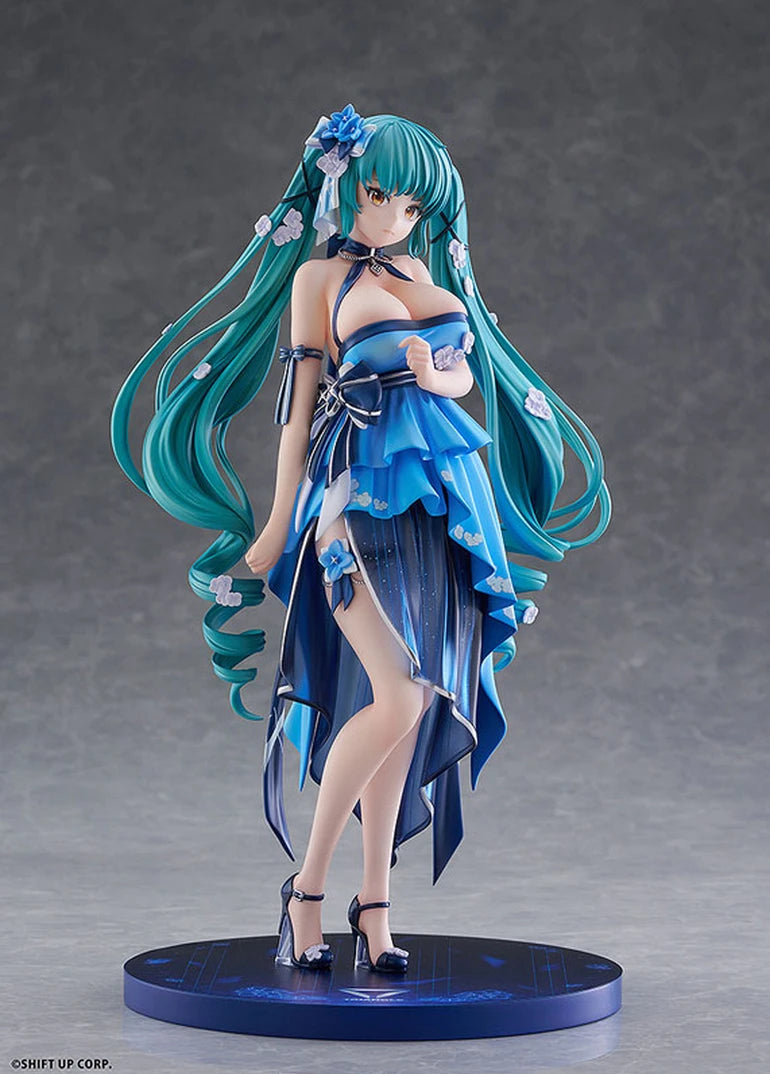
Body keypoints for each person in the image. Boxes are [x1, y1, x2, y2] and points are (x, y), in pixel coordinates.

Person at [111, 106, 610, 975]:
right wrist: (278, 521)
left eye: (411, 206)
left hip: (445, 503)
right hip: (355, 494)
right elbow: (297, 411)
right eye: (379, 195)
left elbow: (460, 373)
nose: (392, 218)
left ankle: (374, 907)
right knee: (402, 695)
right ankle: (305, 892)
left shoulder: (421, 270)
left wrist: (436, 377)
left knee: (412, 702)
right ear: (343, 185)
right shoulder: (318, 280)